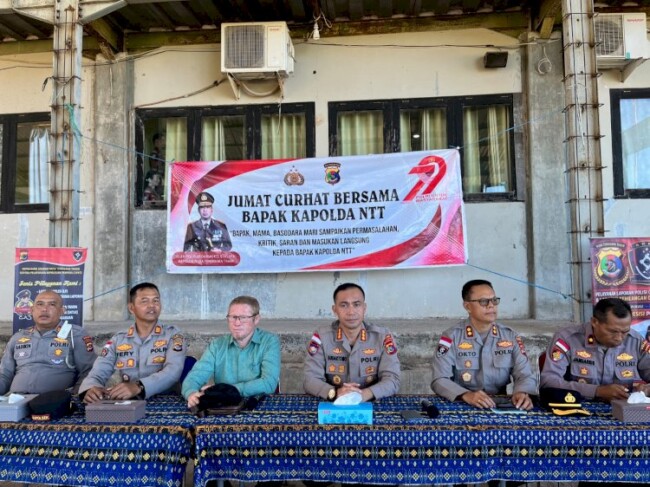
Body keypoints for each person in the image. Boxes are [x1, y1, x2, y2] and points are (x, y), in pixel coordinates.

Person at [431, 279, 537, 410]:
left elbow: (525, 374)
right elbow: (439, 379)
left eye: (494, 300)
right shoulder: (451, 337)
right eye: (483, 301)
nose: (491, 305)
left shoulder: (510, 337)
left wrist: (521, 392)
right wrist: (465, 394)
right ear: (467, 306)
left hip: (498, 405)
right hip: (462, 404)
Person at [79, 282, 187, 403]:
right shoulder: (118, 340)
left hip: (168, 402)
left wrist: (139, 386)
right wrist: (91, 388)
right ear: (131, 308)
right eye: (144, 301)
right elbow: (98, 371)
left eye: (156, 300)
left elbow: (173, 372)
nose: (152, 305)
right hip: (129, 403)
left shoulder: (173, 335)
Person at [304, 282, 401, 402]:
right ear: (335, 310)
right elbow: (310, 379)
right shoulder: (322, 337)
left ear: (364, 308)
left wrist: (363, 395)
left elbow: (392, 380)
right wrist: (335, 393)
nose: (351, 312)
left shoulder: (382, 337)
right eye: (344, 305)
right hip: (333, 402)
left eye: (356, 304)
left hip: (370, 403)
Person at [540, 297, 650, 401]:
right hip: (576, 407)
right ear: (594, 322)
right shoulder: (567, 339)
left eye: (625, 332)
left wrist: (647, 389)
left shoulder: (636, 341)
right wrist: (597, 391)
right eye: (613, 331)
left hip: (623, 407)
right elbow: (548, 381)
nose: (619, 338)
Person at [182, 295, 280, 408]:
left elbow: (268, 384)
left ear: (256, 319)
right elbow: (195, 376)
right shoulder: (217, 345)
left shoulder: (269, 342)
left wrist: (228, 391)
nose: (237, 323)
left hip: (259, 405)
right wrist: (191, 393)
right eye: (233, 317)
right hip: (224, 407)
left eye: (243, 317)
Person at [0, 290, 96, 395]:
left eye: (52, 305)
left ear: (62, 311)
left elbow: (89, 371)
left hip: (55, 401)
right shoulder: (18, 337)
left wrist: (76, 396)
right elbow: (4, 375)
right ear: (32, 310)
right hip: (16, 400)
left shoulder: (75, 334)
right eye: (40, 304)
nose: (44, 309)